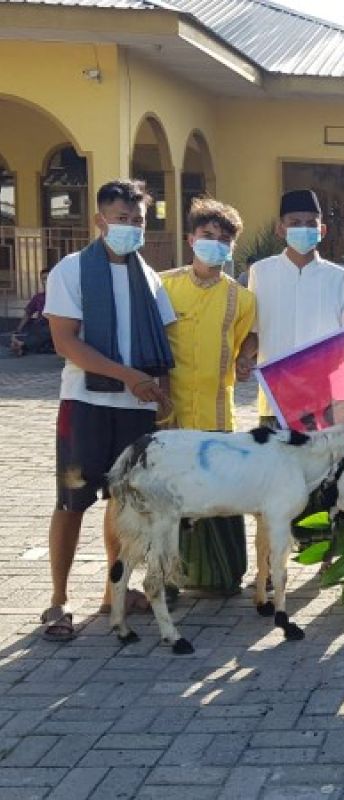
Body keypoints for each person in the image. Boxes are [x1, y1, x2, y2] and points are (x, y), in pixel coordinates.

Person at [40, 179, 176, 641]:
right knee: (72, 500)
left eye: (137, 221)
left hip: (136, 411)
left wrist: (162, 392)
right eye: (122, 219)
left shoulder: (149, 276)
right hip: (86, 406)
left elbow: (162, 345)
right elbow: (65, 341)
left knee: (123, 505)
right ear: (100, 220)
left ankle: (111, 592)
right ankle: (58, 600)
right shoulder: (72, 270)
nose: (130, 228)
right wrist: (128, 376)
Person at [161, 198, 257, 596]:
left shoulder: (241, 299)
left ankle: (218, 574)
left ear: (231, 247)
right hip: (169, 415)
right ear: (190, 239)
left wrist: (249, 359)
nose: (214, 244)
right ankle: (166, 576)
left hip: (218, 414)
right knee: (168, 497)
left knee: (218, 495)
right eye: (207, 236)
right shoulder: (163, 286)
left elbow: (242, 349)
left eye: (223, 239)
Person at [246, 189, 344, 425]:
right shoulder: (260, 273)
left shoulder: (338, 277)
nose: (303, 229)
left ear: (322, 230)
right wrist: (242, 359)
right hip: (274, 399)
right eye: (295, 223)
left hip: (322, 402)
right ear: (280, 228)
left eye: (310, 223)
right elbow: (253, 330)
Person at [9, 268, 54, 356]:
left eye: (48, 278)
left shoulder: (60, 296)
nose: (46, 281)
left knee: (47, 329)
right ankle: (22, 346)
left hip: (54, 326)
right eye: (43, 279)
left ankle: (22, 346)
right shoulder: (38, 297)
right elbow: (28, 313)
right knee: (37, 330)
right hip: (40, 326)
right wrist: (18, 329)